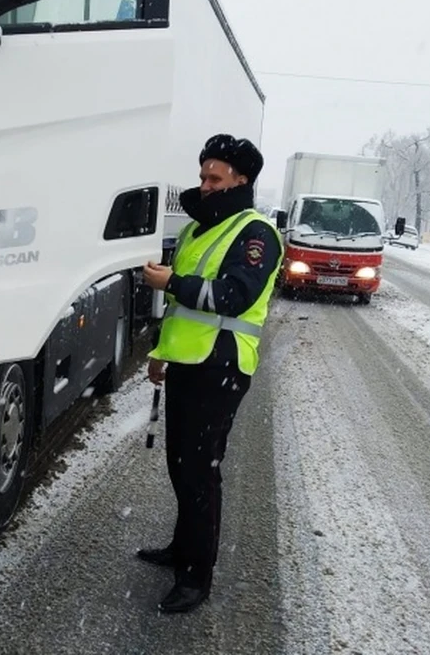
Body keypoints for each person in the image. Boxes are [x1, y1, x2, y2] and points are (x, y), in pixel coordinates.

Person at [139, 133, 284, 614]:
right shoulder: (196, 230)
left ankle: (195, 577)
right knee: (181, 467)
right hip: (186, 363)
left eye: (214, 177)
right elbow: (180, 310)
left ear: (241, 180)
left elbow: (233, 296)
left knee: (201, 474)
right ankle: (182, 549)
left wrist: (173, 281)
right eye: (202, 175)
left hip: (221, 366)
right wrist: (160, 352)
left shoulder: (256, 232)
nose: (203, 184)